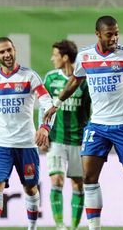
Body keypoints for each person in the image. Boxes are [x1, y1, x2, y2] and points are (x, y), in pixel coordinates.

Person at [43, 16, 123, 230]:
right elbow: (75, 80)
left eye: (116, 33)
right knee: (89, 177)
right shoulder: (85, 57)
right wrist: (57, 103)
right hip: (97, 125)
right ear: (98, 34)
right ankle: (94, 227)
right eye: (110, 34)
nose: (114, 38)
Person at [0, 37, 53, 230]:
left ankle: (32, 227)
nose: (6, 54)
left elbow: (48, 103)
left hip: (26, 143)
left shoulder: (30, 76)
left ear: (15, 50)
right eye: (2, 52)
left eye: (9, 50)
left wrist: (45, 127)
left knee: (30, 188)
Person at [40, 39, 91, 230]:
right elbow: (44, 108)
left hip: (79, 141)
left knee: (78, 184)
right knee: (57, 180)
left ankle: (75, 227)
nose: (52, 58)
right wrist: (43, 130)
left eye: (55, 55)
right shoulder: (51, 79)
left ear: (65, 57)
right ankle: (60, 225)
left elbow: (92, 110)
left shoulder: (83, 81)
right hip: (57, 140)